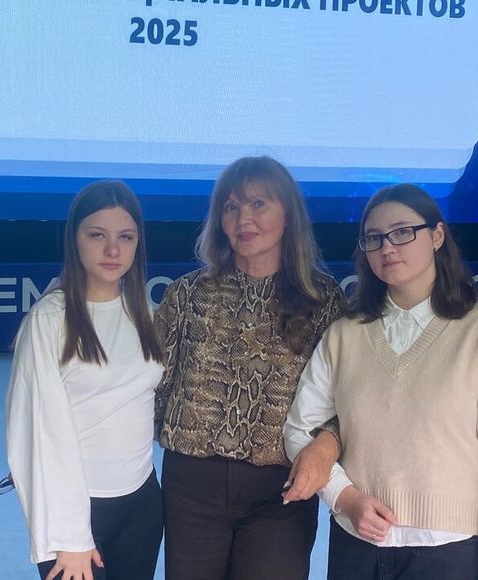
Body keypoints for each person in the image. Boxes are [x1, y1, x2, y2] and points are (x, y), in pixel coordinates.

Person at [284, 183, 478, 580]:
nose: (387, 247)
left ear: (437, 236)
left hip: (450, 553)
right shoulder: (343, 336)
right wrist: (345, 498)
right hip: (356, 548)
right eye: (374, 238)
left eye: (402, 232)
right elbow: (300, 429)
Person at [154, 156, 345, 580]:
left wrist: (326, 445)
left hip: (281, 489)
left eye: (259, 204)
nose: (243, 218)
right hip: (192, 485)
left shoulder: (324, 301)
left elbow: (344, 399)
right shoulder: (186, 295)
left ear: (288, 214)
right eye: (231, 206)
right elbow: (153, 388)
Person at [6, 180, 165, 580]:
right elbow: (36, 436)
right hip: (76, 512)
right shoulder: (49, 321)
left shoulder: (146, 314)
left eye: (125, 237)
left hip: (142, 505)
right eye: (97, 235)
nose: (113, 250)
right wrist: (69, 536)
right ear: (74, 239)